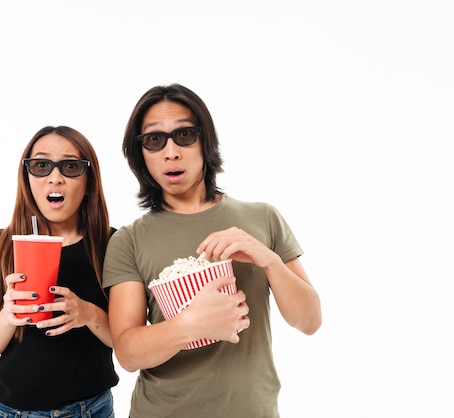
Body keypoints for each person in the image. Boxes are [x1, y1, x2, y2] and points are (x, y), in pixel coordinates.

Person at [102, 84, 322, 417]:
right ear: (140, 153)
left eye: (185, 134)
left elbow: (309, 321)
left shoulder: (262, 217)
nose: (171, 152)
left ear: (206, 141)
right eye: (154, 140)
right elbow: (128, 354)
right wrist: (191, 324)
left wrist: (269, 260)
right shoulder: (129, 240)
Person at [0, 126, 119, 417]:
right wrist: (8, 315)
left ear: (89, 181)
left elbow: (129, 344)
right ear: (27, 178)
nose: (55, 176)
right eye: (41, 165)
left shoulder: (114, 246)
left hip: (92, 409)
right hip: (10, 412)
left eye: (71, 166)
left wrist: (87, 314)